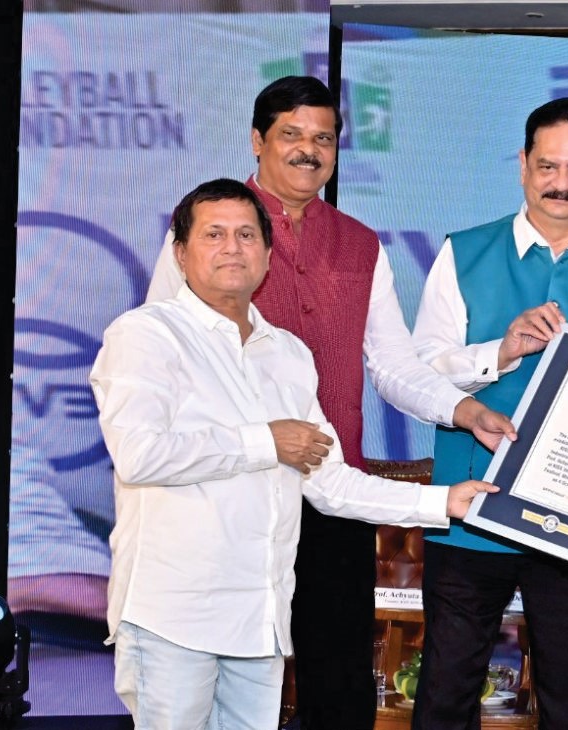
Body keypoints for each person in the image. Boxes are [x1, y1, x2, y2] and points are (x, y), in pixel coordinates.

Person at [144, 76, 514, 729]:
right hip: (231, 492)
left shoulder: (359, 242)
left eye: (323, 138)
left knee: (339, 677)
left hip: (333, 491)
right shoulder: (211, 232)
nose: (307, 151)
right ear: (258, 141)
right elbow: (165, 357)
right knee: (223, 675)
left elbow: (393, 363)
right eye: (291, 135)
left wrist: (463, 409)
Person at [409, 96, 568, 730]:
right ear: (523, 165)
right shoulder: (462, 253)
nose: (562, 183)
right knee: (445, 691)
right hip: (471, 505)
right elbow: (418, 372)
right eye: (548, 166)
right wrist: (500, 350)